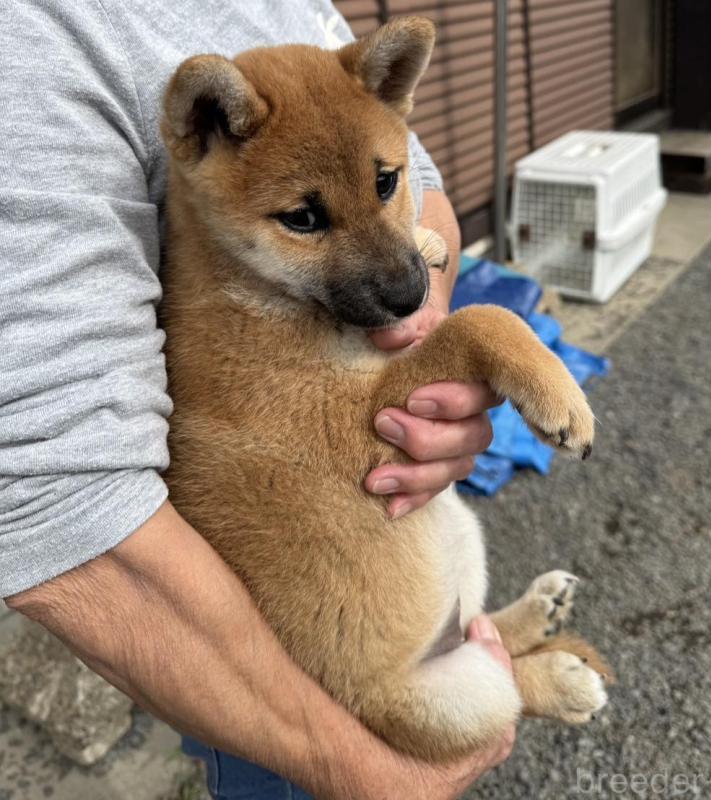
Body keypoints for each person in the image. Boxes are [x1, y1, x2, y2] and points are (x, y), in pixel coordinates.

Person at [1, 2, 516, 797]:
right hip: (271, 659)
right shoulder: (33, 40)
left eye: (381, 189)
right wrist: (367, 776)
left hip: (387, 546)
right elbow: (61, 499)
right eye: (306, 219)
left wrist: (429, 336)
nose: (393, 267)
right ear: (204, 129)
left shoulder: (298, 13)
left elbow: (423, 188)